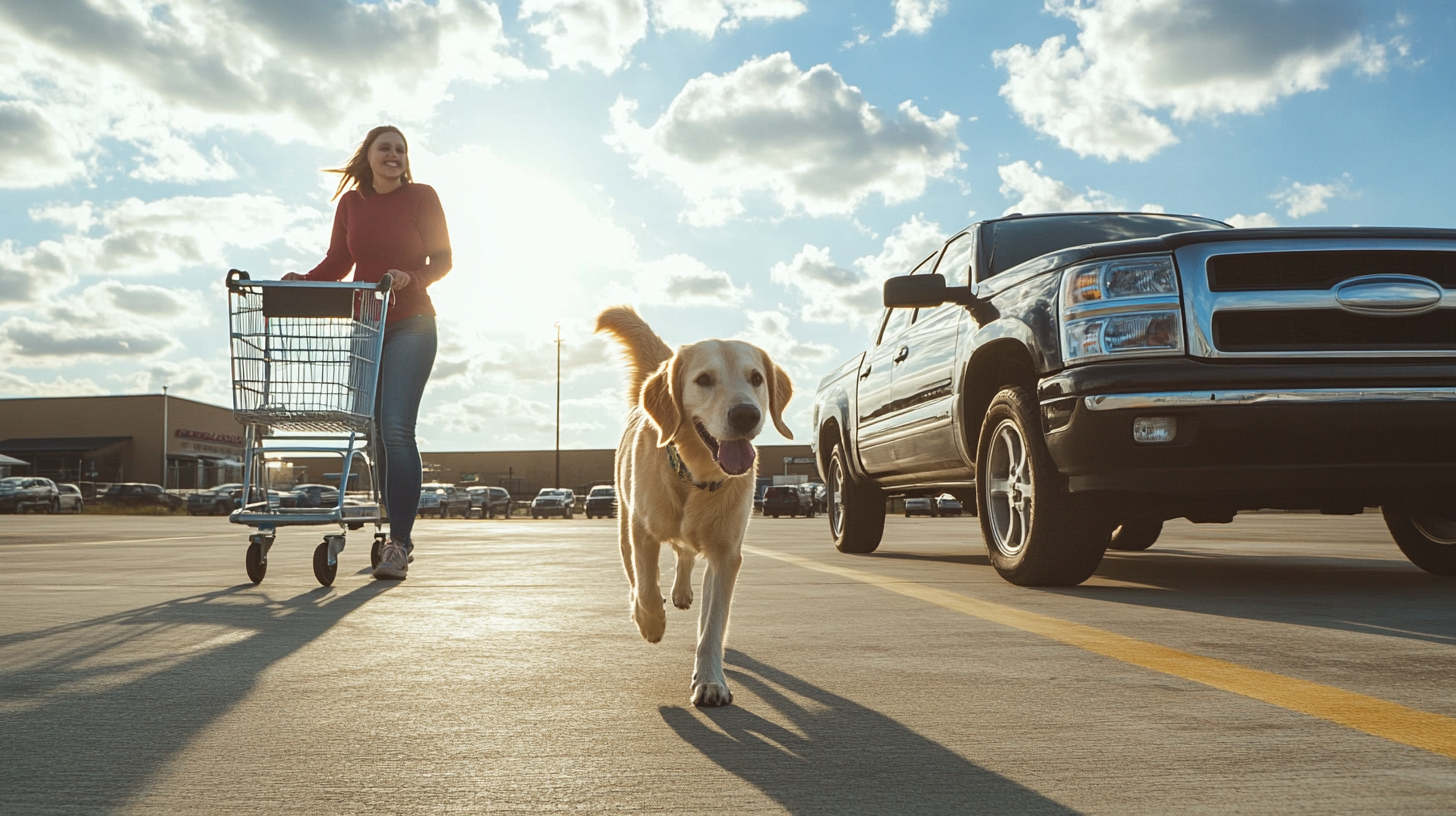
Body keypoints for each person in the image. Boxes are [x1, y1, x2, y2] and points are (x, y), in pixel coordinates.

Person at [285, 125, 451, 580]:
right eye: (385, 148)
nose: (394, 155)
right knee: (374, 433)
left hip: (412, 324)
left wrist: (409, 278)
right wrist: (303, 281)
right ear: (370, 156)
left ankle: (400, 543)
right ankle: (392, 521)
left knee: (397, 430)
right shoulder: (352, 205)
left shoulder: (422, 197)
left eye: (400, 149)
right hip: (367, 329)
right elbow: (339, 263)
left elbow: (443, 259)